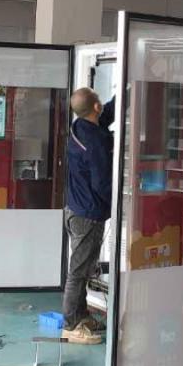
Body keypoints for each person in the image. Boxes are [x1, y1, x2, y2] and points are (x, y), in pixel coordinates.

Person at [61, 87, 114, 345]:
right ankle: (71, 325)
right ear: (95, 107)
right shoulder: (94, 143)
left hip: (75, 209)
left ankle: (81, 316)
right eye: (100, 100)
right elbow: (102, 183)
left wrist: (130, 87)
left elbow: (105, 116)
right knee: (78, 272)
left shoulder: (80, 126)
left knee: (81, 269)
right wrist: (117, 205)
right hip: (87, 214)